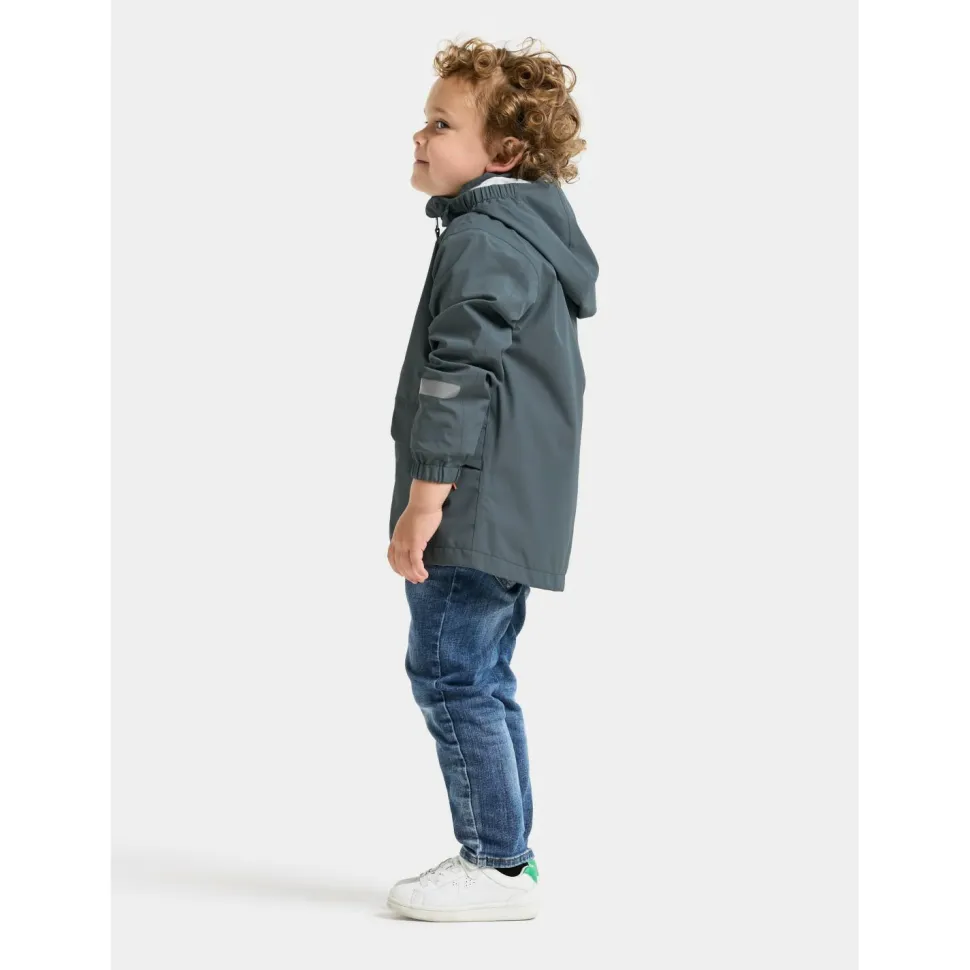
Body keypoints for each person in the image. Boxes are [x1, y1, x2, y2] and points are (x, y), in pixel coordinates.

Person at [385, 36, 599, 922]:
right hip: (513, 503)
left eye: (442, 123)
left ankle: (495, 866)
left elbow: (457, 376)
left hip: (473, 502)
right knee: (482, 673)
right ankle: (509, 858)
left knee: (451, 674)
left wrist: (423, 501)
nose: (419, 135)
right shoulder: (525, 234)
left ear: (503, 153)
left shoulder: (484, 237)